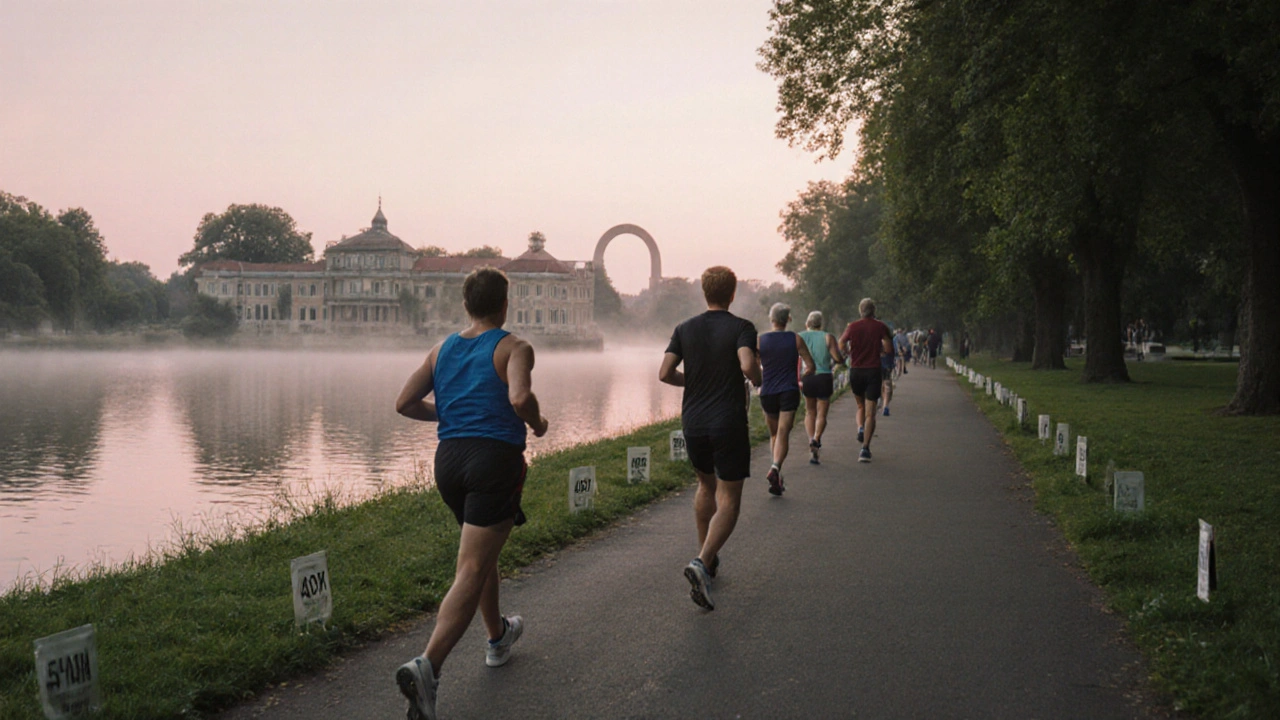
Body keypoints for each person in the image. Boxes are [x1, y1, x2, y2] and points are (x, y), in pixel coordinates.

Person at [393, 267, 549, 720]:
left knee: (482, 555)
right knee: (473, 565)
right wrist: (538, 424)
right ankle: (428, 666)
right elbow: (520, 399)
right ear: (506, 303)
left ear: (466, 305)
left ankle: (498, 638)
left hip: (449, 462)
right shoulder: (514, 346)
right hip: (493, 461)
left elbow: (403, 402)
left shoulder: (441, 348)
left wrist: (452, 417)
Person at [660, 266, 761, 611]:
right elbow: (747, 366)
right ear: (732, 294)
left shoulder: (684, 328)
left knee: (705, 487)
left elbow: (664, 373)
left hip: (693, 422)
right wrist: (758, 377)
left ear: (704, 292)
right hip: (727, 422)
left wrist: (695, 381)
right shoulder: (741, 327)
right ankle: (702, 562)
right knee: (729, 497)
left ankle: (708, 561)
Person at [756, 303, 815, 494]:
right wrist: (803, 379)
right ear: (788, 319)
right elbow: (810, 366)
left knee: (775, 435)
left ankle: (777, 477)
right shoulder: (795, 339)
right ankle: (775, 469)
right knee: (783, 433)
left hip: (767, 392)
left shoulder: (760, 341)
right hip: (789, 390)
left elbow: (753, 366)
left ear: (771, 319)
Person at [839, 298, 893, 463]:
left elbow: (841, 342)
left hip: (856, 371)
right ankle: (865, 448)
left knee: (860, 405)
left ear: (860, 311)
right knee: (871, 412)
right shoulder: (880, 326)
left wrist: (849, 352)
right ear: (874, 310)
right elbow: (889, 347)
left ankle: (860, 428)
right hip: (872, 371)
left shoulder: (852, 327)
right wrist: (882, 351)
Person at [799, 311, 844, 465]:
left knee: (810, 411)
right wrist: (841, 360)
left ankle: (811, 439)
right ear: (821, 323)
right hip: (824, 377)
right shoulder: (828, 337)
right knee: (822, 414)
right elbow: (837, 358)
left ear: (807, 323)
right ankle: (817, 438)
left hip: (808, 377)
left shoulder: (800, 336)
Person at [879, 326, 896, 416]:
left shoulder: (877, 340)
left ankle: (879, 402)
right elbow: (893, 353)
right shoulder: (890, 341)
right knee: (887, 386)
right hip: (887, 366)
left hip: (877, 366)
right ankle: (885, 406)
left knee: (880, 385)